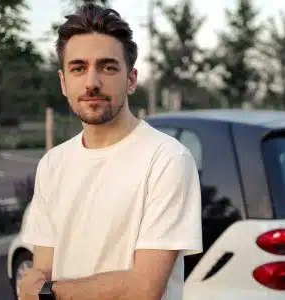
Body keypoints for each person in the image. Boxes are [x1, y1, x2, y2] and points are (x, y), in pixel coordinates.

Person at [18, 3, 203, 300]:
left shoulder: (167, 159)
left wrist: (49, 292)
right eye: (78, 68)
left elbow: (144, 290)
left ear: (131, 80)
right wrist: (42, 285)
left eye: (107, 67)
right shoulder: (53, 163)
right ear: (64, 83)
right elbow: (44, 268)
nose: (92, 82)